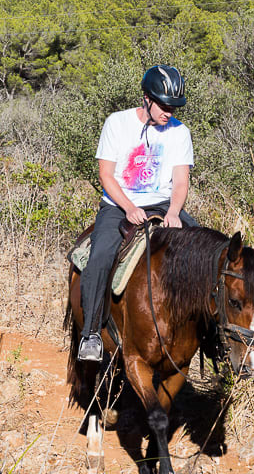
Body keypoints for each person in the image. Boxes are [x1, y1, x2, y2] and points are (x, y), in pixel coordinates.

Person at [76, 65, 196, 362]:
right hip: (119, 205)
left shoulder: (180, 132)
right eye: (164, 105)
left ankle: (207, 338)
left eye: (174, 106)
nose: (169, 112)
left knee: (203, 253)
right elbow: (106, 175)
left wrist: (174, 212)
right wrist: (129, 208)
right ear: (146, 98)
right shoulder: (117, 123)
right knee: (101, 255)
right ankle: (90, 333)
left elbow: (181, 181)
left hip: (164, 206)